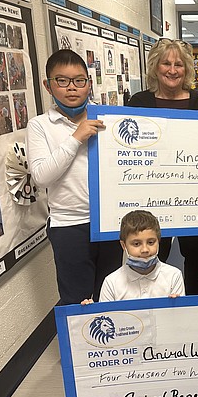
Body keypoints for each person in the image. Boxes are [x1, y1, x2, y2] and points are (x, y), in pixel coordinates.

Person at [27, 49, 123, 305]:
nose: (72, 88)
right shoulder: (40, 126)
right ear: (48, 86)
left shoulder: (107, 119)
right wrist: (76, 138)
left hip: (108, 223)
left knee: (109, 295)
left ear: (89, 84)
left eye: (79, 80)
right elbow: (41, 177)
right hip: (68, 225)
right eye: (62, 80)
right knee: (76, 300)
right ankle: (79, 346)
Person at [128, 38, 198, 295]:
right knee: (152, 255)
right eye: (166, 63)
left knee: (196, 258)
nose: (172, 70)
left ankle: (193, 313)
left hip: (194, 195)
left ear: (187, 69)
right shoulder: (138, 103)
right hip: (151, 195)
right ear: (155, 67)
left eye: (178, 64)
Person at [82, 210, 184, 303]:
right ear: (124, 245)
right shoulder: (111, 282)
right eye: (136, 244)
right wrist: (90, 313)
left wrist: (177, 307)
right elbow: (107, 318)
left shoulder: (174, 276)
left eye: (151, 242)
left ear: (159, 241)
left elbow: (182, 320)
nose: (145, 250)